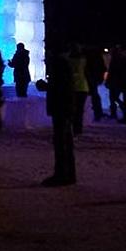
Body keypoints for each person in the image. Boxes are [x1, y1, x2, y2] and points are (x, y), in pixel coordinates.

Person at [35, 43, 76, 187]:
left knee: (61, 141)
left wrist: (45, 86)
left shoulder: (59, 64)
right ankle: (69, 173)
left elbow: (59, 87)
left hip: (61, 107)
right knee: (65, 140)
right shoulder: (64, 63)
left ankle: (62, 174)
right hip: (65, 107)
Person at [106, 45, 126, 123]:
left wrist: (108, 82)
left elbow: (112, 73)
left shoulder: (115, 61)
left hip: (121, 83)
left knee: (115, 97)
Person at [84, 47, 106, 121]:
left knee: (91, 95)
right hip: (94, 78)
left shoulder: (87, 58)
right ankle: (97, 112)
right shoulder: (98, 58)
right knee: (94, 95)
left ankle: (95, 112)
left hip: (89, 78)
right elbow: (103, 68)